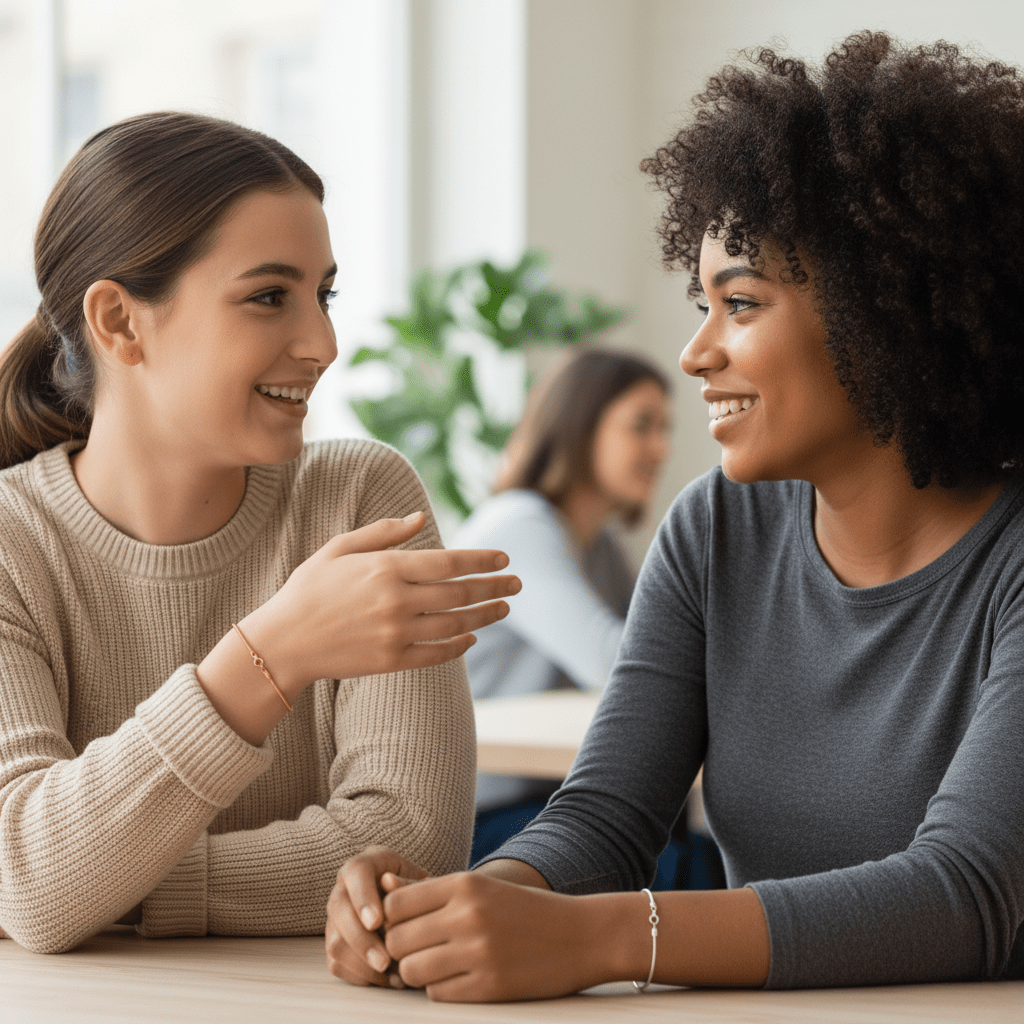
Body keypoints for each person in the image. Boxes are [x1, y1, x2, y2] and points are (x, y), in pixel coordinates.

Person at [325, 31, 1024, 999]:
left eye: (739, 303)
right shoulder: (712, 533)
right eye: (701, 302)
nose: (695, 352)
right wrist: (459, 914)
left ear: (887, 309)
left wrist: (602, 940)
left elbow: (966, 893)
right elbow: (604, 819)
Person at [0, 111, 521, 954]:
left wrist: (101, 885)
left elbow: (410, 847)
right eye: (269, 297)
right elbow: (27, 873)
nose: (323, 343)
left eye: (324, 295)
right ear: (120, 322)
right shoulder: (10, 544)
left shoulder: (359, 498)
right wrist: (271, 656)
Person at [454, 349, 681, 865]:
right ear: (580, 425)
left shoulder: (597, 546)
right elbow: (623, 663)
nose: (661, 447)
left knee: (704, 855)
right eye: (641, 425)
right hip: (476, 823)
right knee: (699, 868)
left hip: (542, 802)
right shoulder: (519, 525)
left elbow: (658, 652)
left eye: (665, 428)